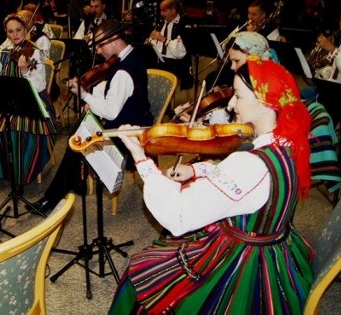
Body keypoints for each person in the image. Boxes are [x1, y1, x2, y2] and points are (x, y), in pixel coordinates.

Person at [110, 56, 314, 314]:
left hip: (245, 263)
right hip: (275, 246)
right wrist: (197, 169)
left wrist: (142, 159)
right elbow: (252, 185)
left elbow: (178, 215)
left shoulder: (248, 164)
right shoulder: (289, 141)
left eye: (238, 95)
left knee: (140, 275)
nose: (230, 103)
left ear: (265, 104)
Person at [28, 20, 153, 214]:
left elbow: (112, 111)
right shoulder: (131, 56)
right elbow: (118, 96)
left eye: (101, 45)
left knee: (76, 141)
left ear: (114, 39)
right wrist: (93, 101)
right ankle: (70, 182)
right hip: (132, 118)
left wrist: (85, 95)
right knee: (78, 134)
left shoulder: (123, 71)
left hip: (127, 130)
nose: (99, 51)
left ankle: (54, 196)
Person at [0, 13, 56, 187]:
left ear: (26, 30)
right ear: (7, 34)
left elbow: (39, 85)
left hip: (33, 101)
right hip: (9, 100)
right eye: (11, 32)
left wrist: (25, 72)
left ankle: (20, 177)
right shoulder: (5, 52)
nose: (15, 35)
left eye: (19, 30)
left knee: (18, 129)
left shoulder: (35, 53)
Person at [146, 0, 193, 89]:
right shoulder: (161, 23)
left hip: (176, 62)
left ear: (173, 11)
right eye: (161, 11)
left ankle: (164, 99)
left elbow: (181, 53)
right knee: (142, 70)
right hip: (160, 60)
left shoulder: (183, 24)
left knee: (160, 77)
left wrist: (164, 40)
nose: (161, 14)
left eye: (164, 11)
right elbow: (155, 42)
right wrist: (149, 42)